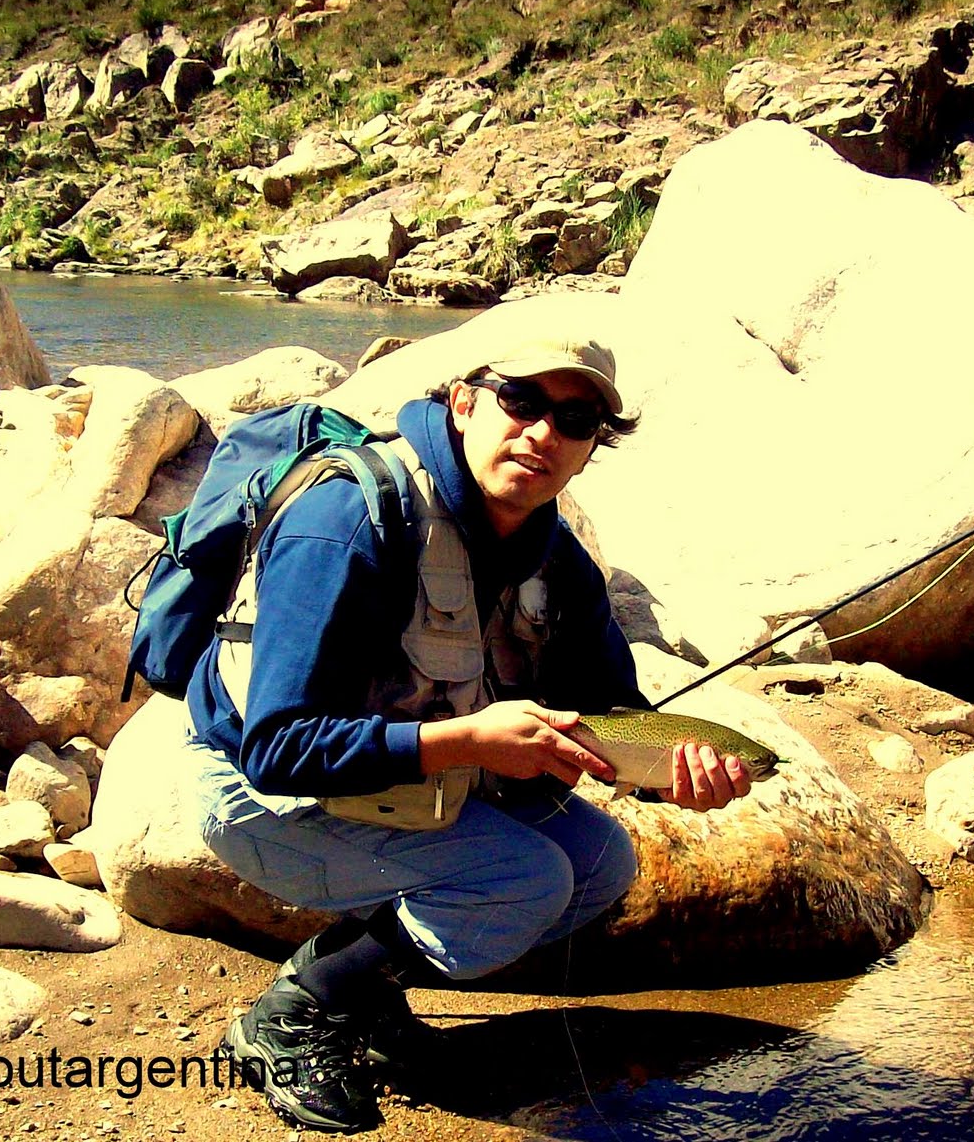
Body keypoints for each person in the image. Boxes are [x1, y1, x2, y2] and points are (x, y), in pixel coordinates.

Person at [187, 327, 756, 1131]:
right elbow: (276, 749)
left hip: (400, 783)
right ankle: (298, 1010)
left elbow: (613, 716)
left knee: (600, 861)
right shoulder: (349, 516)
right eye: (520, 400)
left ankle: (366, 991)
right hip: (253, 792)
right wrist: (468, 742)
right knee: (526, 879)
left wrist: (673, 777)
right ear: (463, 402)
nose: (542, 433)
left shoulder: (557, 559)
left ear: (592, 447)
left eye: (575, 420)